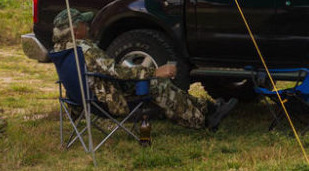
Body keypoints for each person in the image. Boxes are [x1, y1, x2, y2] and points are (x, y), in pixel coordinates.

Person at [51, 8, 236, 130]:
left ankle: (207, 108)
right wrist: (155, 71)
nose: (88, 25)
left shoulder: (60, 50)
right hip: (106, 102)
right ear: (75, 31)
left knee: (152, 84)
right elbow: (117, 72)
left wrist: (76, 111)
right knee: (156, 85)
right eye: (84, 23)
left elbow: (72, 83)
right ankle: (202, 120)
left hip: (89, 100)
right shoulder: (85, 50)